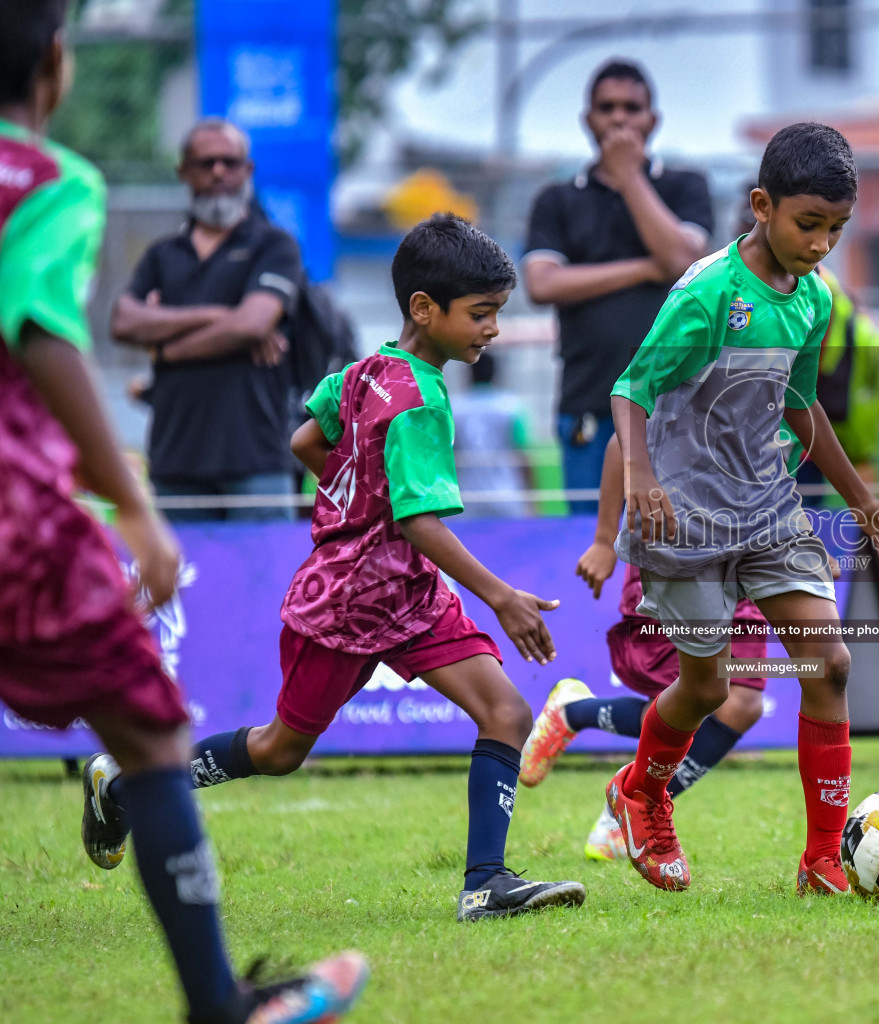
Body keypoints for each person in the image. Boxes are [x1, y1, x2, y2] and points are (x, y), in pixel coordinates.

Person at [0, 5, 366, 1021]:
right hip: (18, 509)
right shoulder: (51, 184)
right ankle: (219, 1004)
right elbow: (51, 334)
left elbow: (221, 321)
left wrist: (175, 333)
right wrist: (136, 510)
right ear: (57, 67)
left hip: (241, 463)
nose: (212, 175)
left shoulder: (265, 245)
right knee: (148, 735)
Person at [86, 214, 588, 922]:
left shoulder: (360, 373)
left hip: (407, 594)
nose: (493, 330)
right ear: (425, 309)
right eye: (481, 314)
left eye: (496, 314)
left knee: (504, 711)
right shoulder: (420, 400)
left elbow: (304, 439)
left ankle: (486, 883)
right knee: (281, 748)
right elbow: (418, 520)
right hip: (347, 604)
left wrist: (358, 493)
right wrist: (502, 596)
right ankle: (129, 782)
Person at [605, 122, 879, 894]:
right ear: (761, 206)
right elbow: (631, 387)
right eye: (808, 224)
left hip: (769, 507)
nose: (821, 245)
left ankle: (821, 859)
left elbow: (801, 406)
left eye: (836, 230)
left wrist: (863, 502)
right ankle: (639, 791)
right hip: (685, 515)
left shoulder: (812, 299)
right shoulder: (708, 294)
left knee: (831, 662)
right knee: (709, 689)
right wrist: (642, 478)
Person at [517, 435, 770, 861]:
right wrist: (603, 539)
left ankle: (628, 809)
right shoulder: (693, 372)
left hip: (744, 558)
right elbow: (625, 437)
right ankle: (574, 716)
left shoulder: (781, 384)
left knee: (741, 703)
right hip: (672, 551)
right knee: (690, 695)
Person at [523, 59, 714, 514]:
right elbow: (541, 282)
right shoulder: (558, 199)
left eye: (632, 107)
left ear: (653, 119)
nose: (619, 118)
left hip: (674, 407)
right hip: (588, 402)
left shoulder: (685, 186)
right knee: (593, 540)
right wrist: (647, 269)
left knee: (677, 540)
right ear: (588, 119)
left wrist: (629, 175)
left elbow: (684, 261)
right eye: (606, 107)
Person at [110, 117, 304, 522]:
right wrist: (220, 316)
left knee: (266, 585)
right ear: (183, 171)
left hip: (256, 458)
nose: (218, 172)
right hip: (175, 459)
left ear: (247, 170)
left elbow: (252, 323)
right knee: (186, 586)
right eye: (205, 162)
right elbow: (123, 322)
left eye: (229, 162)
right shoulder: (162, 254)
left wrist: (166, 347)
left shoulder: (275, 245)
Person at [452, 349, 535, 519]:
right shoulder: (511, 407)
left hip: (466, 500)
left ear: (469, 374)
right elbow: (523, 456)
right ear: (496, 373)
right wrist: (532, 500)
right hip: (508, 497)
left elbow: (447, 457)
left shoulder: (453, 408)